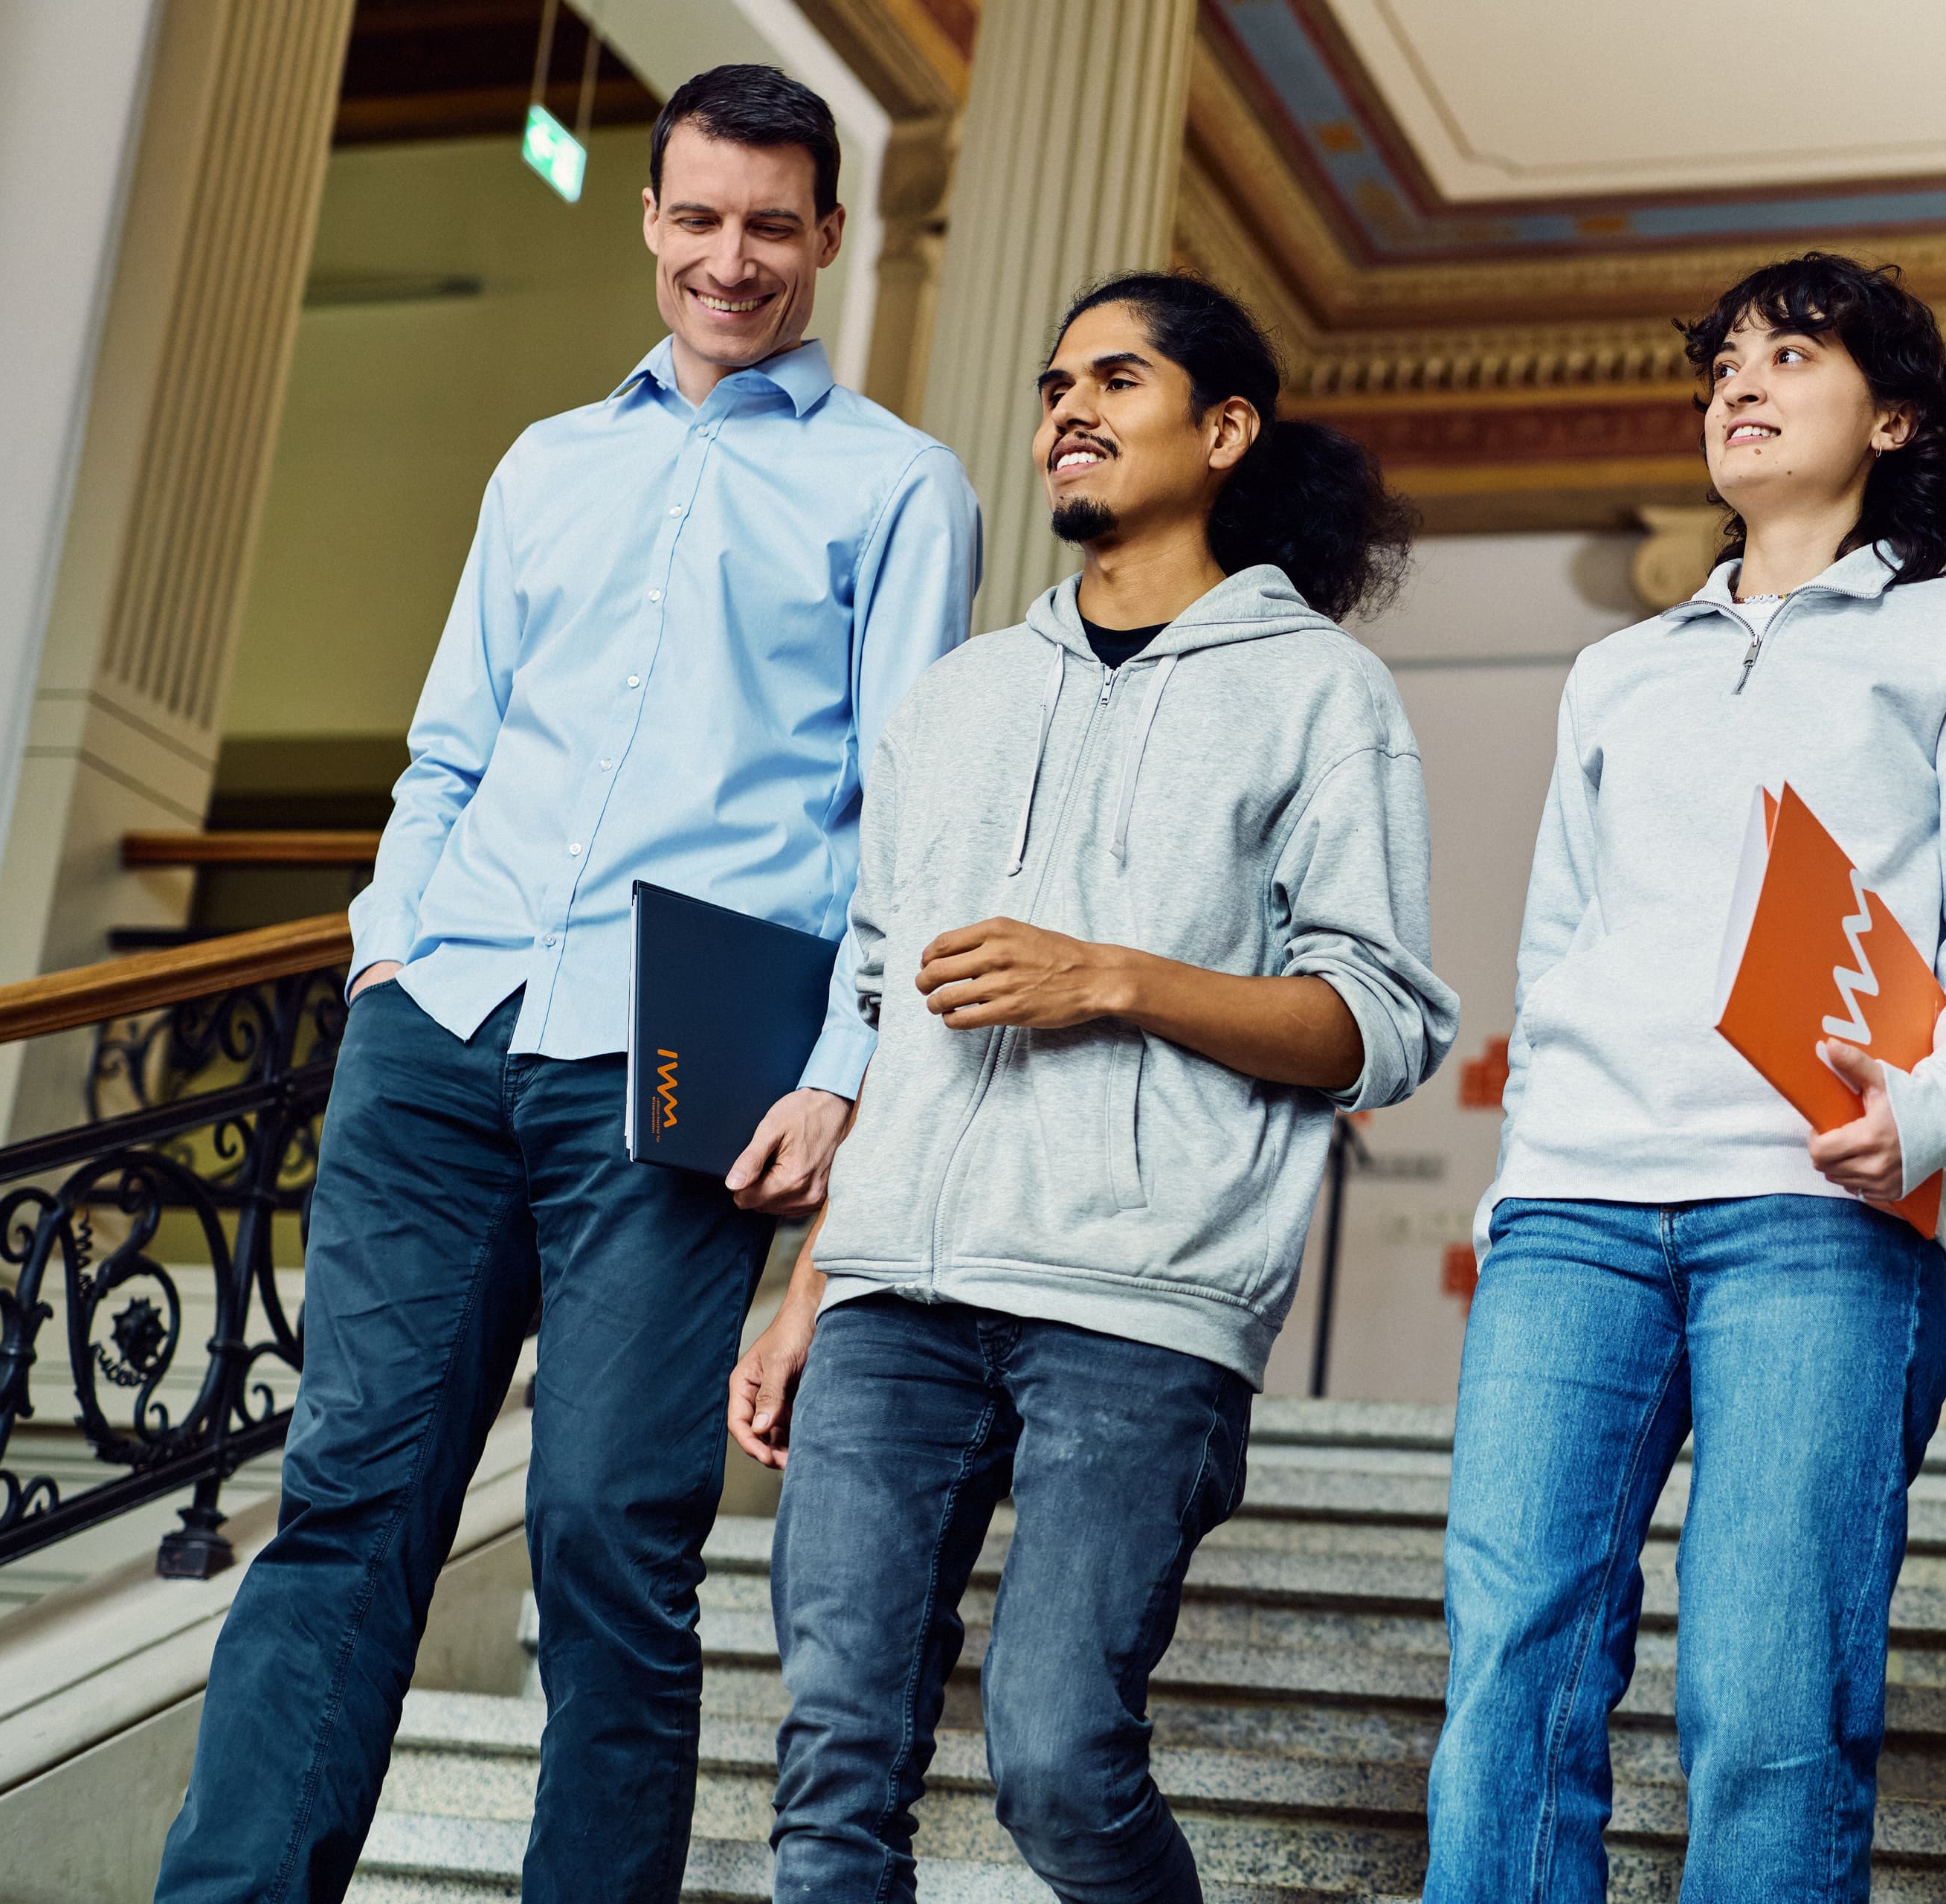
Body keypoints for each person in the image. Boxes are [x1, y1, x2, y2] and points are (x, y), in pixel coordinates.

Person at [155, 65, 980, 1904]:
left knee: (612, 1528)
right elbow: (448, 747)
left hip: (680, 1049)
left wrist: (845, 1069)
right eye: (698, 217)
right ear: (651, 217)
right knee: (348, 1509)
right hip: (445, 1023)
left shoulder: (902, 490)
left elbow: (899, 827)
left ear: (830, 238)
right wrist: (387, 952)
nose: (730, 258)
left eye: (773, 224)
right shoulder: (549, 459)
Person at [726, 271, 1458, 1903]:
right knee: (832, 1774)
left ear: (1224, 427)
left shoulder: (1318, 692)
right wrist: (813, 1277)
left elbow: (1383, 1021)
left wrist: (1114, 976)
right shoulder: (961, 694)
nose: (1069, 406)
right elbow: (880, 1002)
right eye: (1059, 380)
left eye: (1117, 379)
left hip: (1142, 1300)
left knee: (1057, 1757)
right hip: (894, 1287)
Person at [1423, 252, 1946, 1902]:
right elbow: (1556, 948)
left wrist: (1930, 1109)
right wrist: (1521, 1183)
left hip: (1813, 1208)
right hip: (1576, 1212)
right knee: (1512, 1667)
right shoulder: (1619, 671)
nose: (1742, 379)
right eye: (1724, 357)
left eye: (1792, 353)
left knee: (1773, 1692)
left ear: (1896, 416)